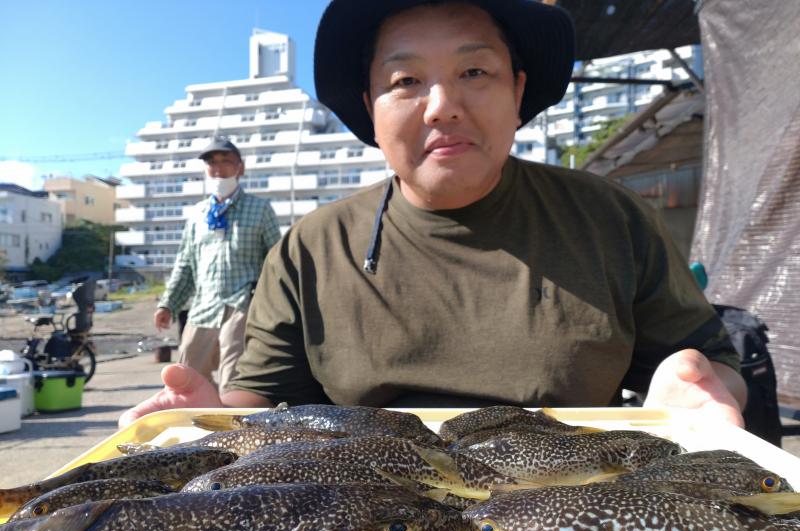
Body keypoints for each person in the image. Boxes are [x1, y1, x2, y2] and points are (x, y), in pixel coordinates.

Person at [119, 0, 746, 429]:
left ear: (518, 89)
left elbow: (712, 366)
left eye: (474, 71)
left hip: (570, 514)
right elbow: (259, 406)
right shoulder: (312, 247)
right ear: (370, 106)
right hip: (366, 523)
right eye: (405, 80)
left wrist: (698, 390)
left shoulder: (611, 218)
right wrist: (208, 417)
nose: (442, 105)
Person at [149, 136, 281, 395]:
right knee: (186, 375)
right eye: (211, 162)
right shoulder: (198, 214)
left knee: (235, 376)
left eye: (226, 161)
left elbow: (277, 262)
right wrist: (168, 304)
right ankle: (200, 428)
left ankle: (235, 430)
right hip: (203, 305)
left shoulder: (260, 208)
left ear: (240, 168)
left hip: (242, 304)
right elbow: (185, 264)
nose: (218, 168)